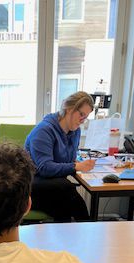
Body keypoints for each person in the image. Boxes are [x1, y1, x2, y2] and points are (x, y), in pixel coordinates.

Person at [24, 91, 96, 222]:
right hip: (31, 186)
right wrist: (76, 166)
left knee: (64, 200)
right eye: (81, 114)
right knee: (66, 189)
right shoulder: (43, 130)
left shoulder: (75, 131)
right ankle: (87, 227)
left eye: (86, 117)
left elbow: (69, 159)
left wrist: (78, 163)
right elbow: (45, 168)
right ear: (69, 109)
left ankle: (81, 228)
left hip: (55, 186)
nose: (82, 121)